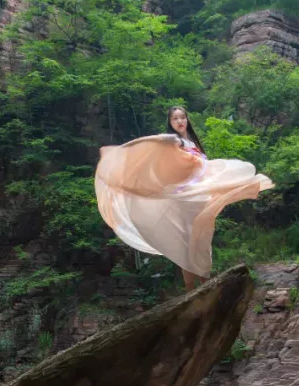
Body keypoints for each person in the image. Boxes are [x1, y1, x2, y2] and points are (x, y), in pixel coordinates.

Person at [95, 106, 274, 292]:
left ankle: (205, 287)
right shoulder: (174, 144)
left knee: (202, 241)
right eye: (175, 118)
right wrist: (165, 141)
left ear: (187, 119)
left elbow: (206, 172)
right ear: (170, 123)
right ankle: (192, 291)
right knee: (187, 247)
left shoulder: (193, 143)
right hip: (184, 200)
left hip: (199, 200)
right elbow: (155, 153)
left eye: (182, 117)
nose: (180, 121)